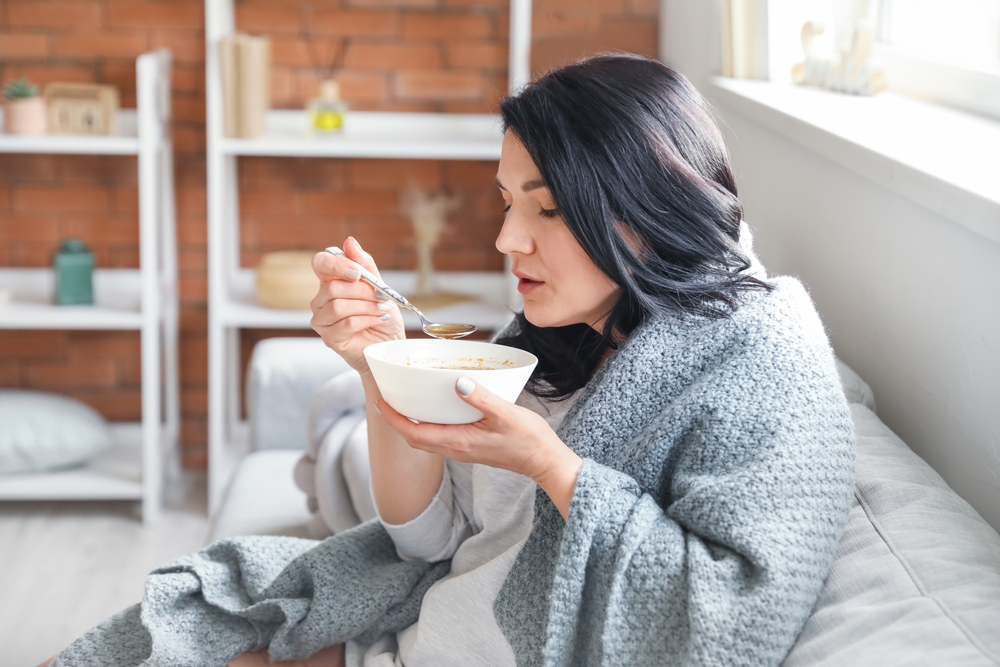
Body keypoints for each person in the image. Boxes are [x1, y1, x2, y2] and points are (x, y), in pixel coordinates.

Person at [45, 54, 854, 667]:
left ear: (650, 203)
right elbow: (426, 540)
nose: (507, 241)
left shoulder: (759, 357)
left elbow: (730, 616)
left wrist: (555, 469)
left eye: (548, 206)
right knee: (161, 629)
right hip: (415, 628)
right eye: (507, 202)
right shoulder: (573, 326)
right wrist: (381, 365)